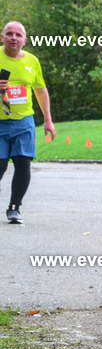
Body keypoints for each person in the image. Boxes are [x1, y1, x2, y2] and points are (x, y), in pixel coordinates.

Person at [0, 21, 56, 225]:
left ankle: (14, 208)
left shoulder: (32, 61)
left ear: (24, 40)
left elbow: (40, 90)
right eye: (9, 34)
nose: (13, 37)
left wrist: (48, 120)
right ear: (2, 37)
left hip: (23, 121)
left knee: (23, 163)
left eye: (18, 35)